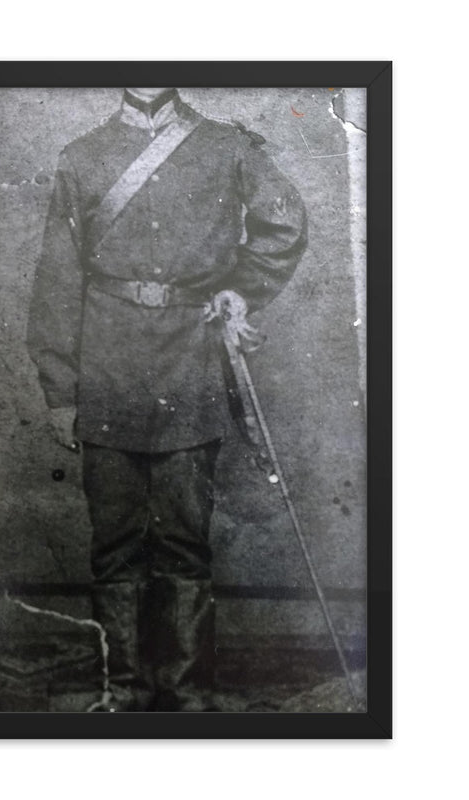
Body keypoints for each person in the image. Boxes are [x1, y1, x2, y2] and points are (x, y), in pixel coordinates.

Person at [27, 87, 307, 711]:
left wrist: (241, 289)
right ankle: (121, 691)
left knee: (184, 542)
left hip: (190, 363)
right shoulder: (83, 157)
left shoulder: (228, 148)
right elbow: (55, 281)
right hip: (106, 368)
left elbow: (284, 223)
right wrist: (59, 390)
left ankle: (187, 695)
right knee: (116, 542)